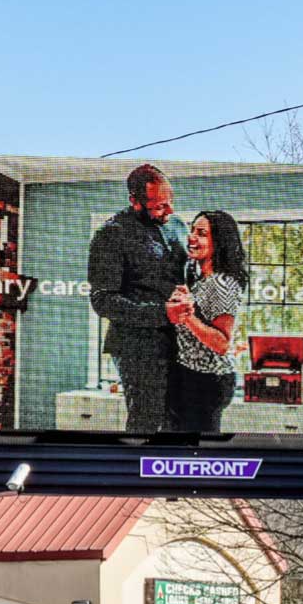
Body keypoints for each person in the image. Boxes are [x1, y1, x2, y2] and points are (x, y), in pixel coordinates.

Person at [87, 164, 188, 432]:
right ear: (135, 201)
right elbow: (103, 300)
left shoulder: (178, 226)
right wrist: (161, 313)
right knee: (148, 422)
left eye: (170, 203)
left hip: (180, 343)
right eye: (159, 206)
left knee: (179, 422)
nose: (169, 211)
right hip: (137, 348)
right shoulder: (111, 234)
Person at [165, 210, 247, 433]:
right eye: (192, 230)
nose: (191, 237)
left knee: (199, 449)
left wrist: (187, 314)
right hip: (191, 375)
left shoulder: (222, 284)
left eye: (201, 233)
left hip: (207, 382)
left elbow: (221, 343)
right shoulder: (201, 278)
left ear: (219, 241)